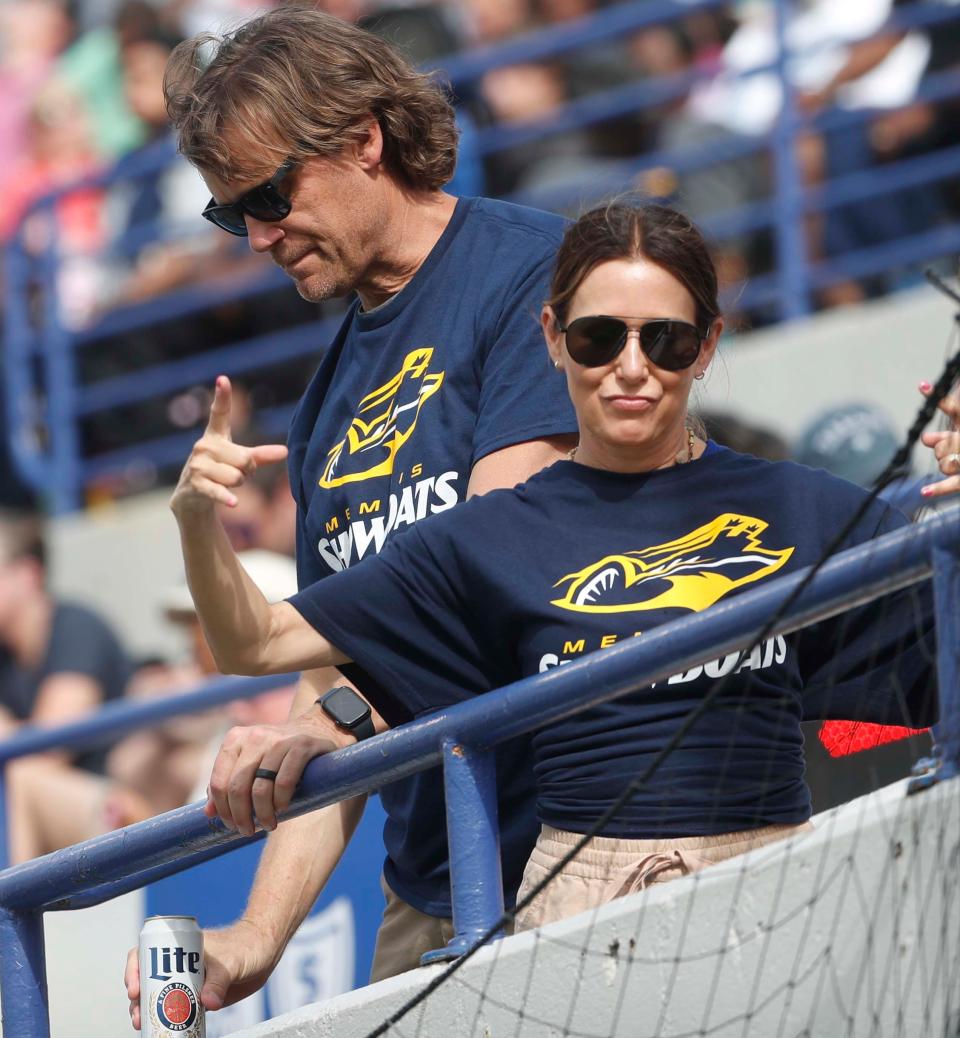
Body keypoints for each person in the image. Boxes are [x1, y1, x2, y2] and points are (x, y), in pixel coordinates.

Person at [141, 201, 936, 992]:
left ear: (707, 347)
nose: (632, 367)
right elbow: (258, 643)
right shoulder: (486, 538)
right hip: (576, 921)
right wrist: (197, 526)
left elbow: (939, 654)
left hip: (772, 892)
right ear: (553, 339)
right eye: (599, 338)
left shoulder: (800, 507)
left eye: (666, 340)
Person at [125, 6, 577, 1027]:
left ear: (363, 141)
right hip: (429, 884)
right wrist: (254, 938)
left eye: (272, 195)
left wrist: (333, 718)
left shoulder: (533, 270)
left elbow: (494, 563)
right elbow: (330, 679)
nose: (257, 236)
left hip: (582, 839)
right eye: (227, 215)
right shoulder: (325, 406)